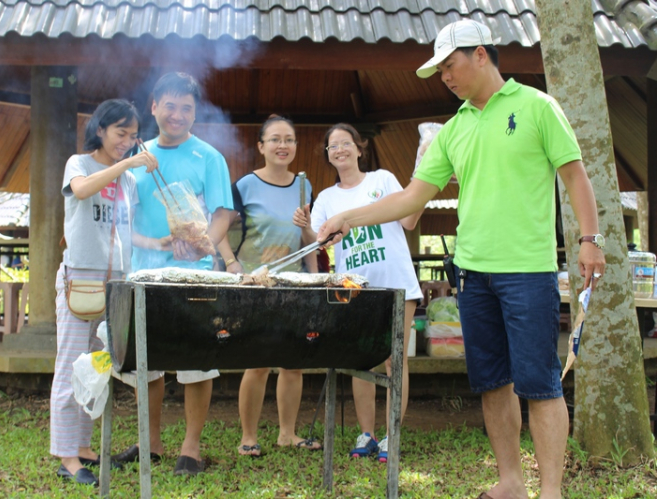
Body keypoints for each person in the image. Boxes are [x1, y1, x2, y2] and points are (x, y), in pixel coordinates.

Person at [316, 20, 606, 499]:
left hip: (528, 272)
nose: (445, 78)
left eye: (449, 66)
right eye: (439, 71)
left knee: (541, 384)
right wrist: (349, 216)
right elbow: (410, 199)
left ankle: (551, 491)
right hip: (471, 274)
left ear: (480, 55)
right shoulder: (452, 131)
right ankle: (511, 481)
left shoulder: (537, 106)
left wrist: (589, 239)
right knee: (493, 383)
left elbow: (575, 176)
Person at [114, 72, 235, 476]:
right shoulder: (138, 155)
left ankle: (191, 446)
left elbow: (223, 213)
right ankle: (150, 443)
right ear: (153, 107)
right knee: (146, 362)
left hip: (192, 273)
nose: (177, 115)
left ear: (195, 112)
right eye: (170, 105)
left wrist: (204, 244)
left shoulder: (209, 157)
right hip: (143, 273)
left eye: (186, 108)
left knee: (196, 361)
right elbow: (123, 215)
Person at [294, 123, 423, 463]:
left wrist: (423, 183)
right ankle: (367, 433)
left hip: (397, 285)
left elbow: (408, 220)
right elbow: (319, 240)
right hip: (353, 290)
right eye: (332, 146)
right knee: (360, 360)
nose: (339, 149)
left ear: (359, 148)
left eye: (345, 143)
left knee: (395, 361)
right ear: (328, 155)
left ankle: (391, 435)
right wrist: (305, 225)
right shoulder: (325, 198)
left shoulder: (382, 180)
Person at [51, 99, 158, 486]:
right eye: (120, 133)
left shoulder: (127, 179)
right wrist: (126, 163)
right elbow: (81, 192)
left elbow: (124, 230)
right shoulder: (79, 164)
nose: (127, 142)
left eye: (132, 136)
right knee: (70, 367)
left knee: (95, 371)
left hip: (115, 284)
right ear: (101, 129)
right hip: (81, 279)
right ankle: (67, 456)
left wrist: (161, 240)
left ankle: (82, 447)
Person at [215, 115, 320, 457]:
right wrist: (232, 264)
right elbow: (217, 230)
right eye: (275, 139)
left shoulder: (304, 187)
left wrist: (313, 276)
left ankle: (287, 433)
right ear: (261, 146)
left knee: (293, 362)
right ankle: (248, 437)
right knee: (258, 362)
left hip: (294, 283)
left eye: (289, 139)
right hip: (255, 284)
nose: (282, 145)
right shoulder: (245, 185)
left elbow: (311, 242)